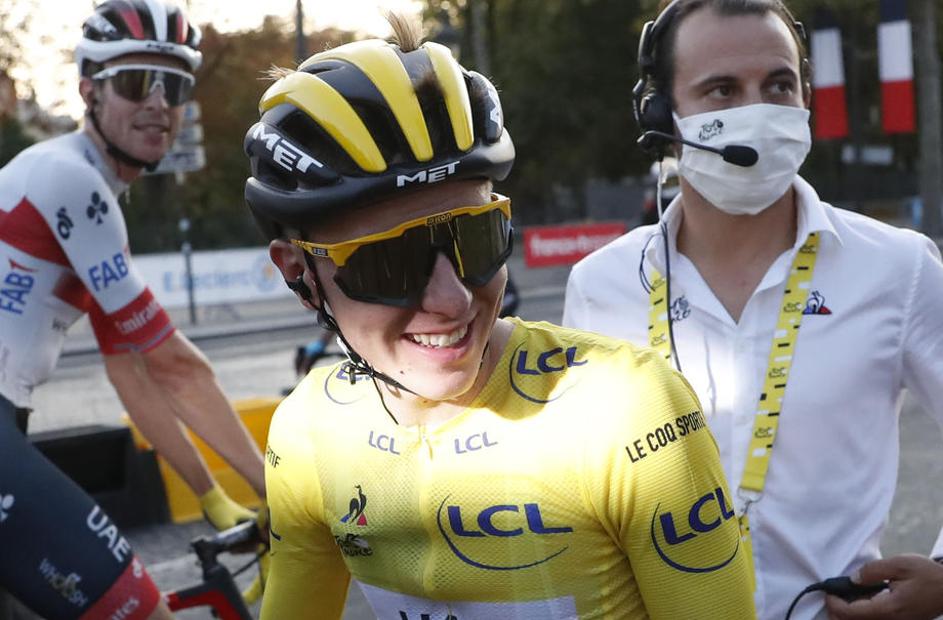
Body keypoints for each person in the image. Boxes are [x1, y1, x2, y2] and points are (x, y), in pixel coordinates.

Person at [247, 15, 755, 620]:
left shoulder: (630, 412)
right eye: (390, 264)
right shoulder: (307, 432)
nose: (453, 299)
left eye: (478, 237)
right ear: (300, 273)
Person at [563, 1, 943, 619]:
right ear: (662, 116)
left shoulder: (899, 268)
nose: (758, 110)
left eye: (778, 85)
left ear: (805, 97)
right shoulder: (600, 287)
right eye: (722, 89)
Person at [0, 2, 265, 618]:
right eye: (135, 81)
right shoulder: (70, 180)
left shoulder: (82, 191)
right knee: (140, 611)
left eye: (174, 85)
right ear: (88, 90)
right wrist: (271, 489)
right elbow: (176, 367)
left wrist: (209, 494)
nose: (158, 103)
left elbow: (133, 374)